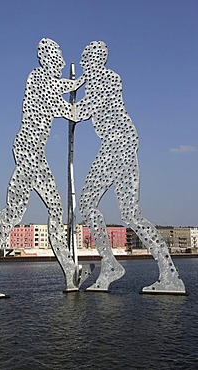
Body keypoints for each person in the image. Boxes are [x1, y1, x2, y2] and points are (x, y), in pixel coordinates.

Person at [0, 38, 85, 298]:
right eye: (58, 58)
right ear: (47, 59)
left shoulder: (48, 82)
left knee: (34, 211)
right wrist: (90, 99)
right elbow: (70, 110)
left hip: (33, 152)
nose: (62, 63)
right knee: (32, 211)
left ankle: (69, 274)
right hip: (29, 153)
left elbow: (66, 85)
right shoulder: (39, 80)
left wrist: (81, 82)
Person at [75, 41, 186, 293]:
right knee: (130, 214)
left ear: (94, 59)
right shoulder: (102, 79)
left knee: (87, 205)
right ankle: (168, 275)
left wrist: (54, 102)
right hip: (123, 143)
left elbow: (82, 110)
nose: (81, 63)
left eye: (85, 58)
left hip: (116, 145)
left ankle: (111, 264)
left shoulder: (105, 79)